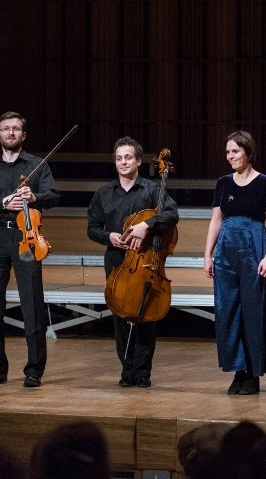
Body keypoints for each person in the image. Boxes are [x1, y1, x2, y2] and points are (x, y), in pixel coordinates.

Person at [0, 111, 60, 388]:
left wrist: (35, 196)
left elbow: (53, 196)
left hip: (27, 237)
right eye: (6, 129)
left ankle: (34, 370)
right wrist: (1, 204)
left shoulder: (37, 165)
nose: (10, 133)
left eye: (16, 129)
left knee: (32, 304)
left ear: (23, 135)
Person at [87, 136, 179, 388]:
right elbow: (92, 228)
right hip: (118, 259)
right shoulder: (104, 193)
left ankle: (142, 371)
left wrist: (146, 225)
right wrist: (109, 236)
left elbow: (171, 214)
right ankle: (127, 369)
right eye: (119, 158)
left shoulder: (152, 190)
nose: (123, 162)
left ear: (138, 160)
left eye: (128, 157)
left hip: (146, 259)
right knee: (120, 312)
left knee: (145, 315)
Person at [203, 130, 266, 395]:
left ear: (248, 152)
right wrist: (208, 254)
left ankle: (252, 373)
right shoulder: (223, 183)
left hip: (253, 252)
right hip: (226, 254)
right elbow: (216, 219)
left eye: (235, 151)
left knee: (253, 313)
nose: (231, 157)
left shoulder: (265, 183)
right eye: (228, 152)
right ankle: (238, 371)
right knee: (228, 313)